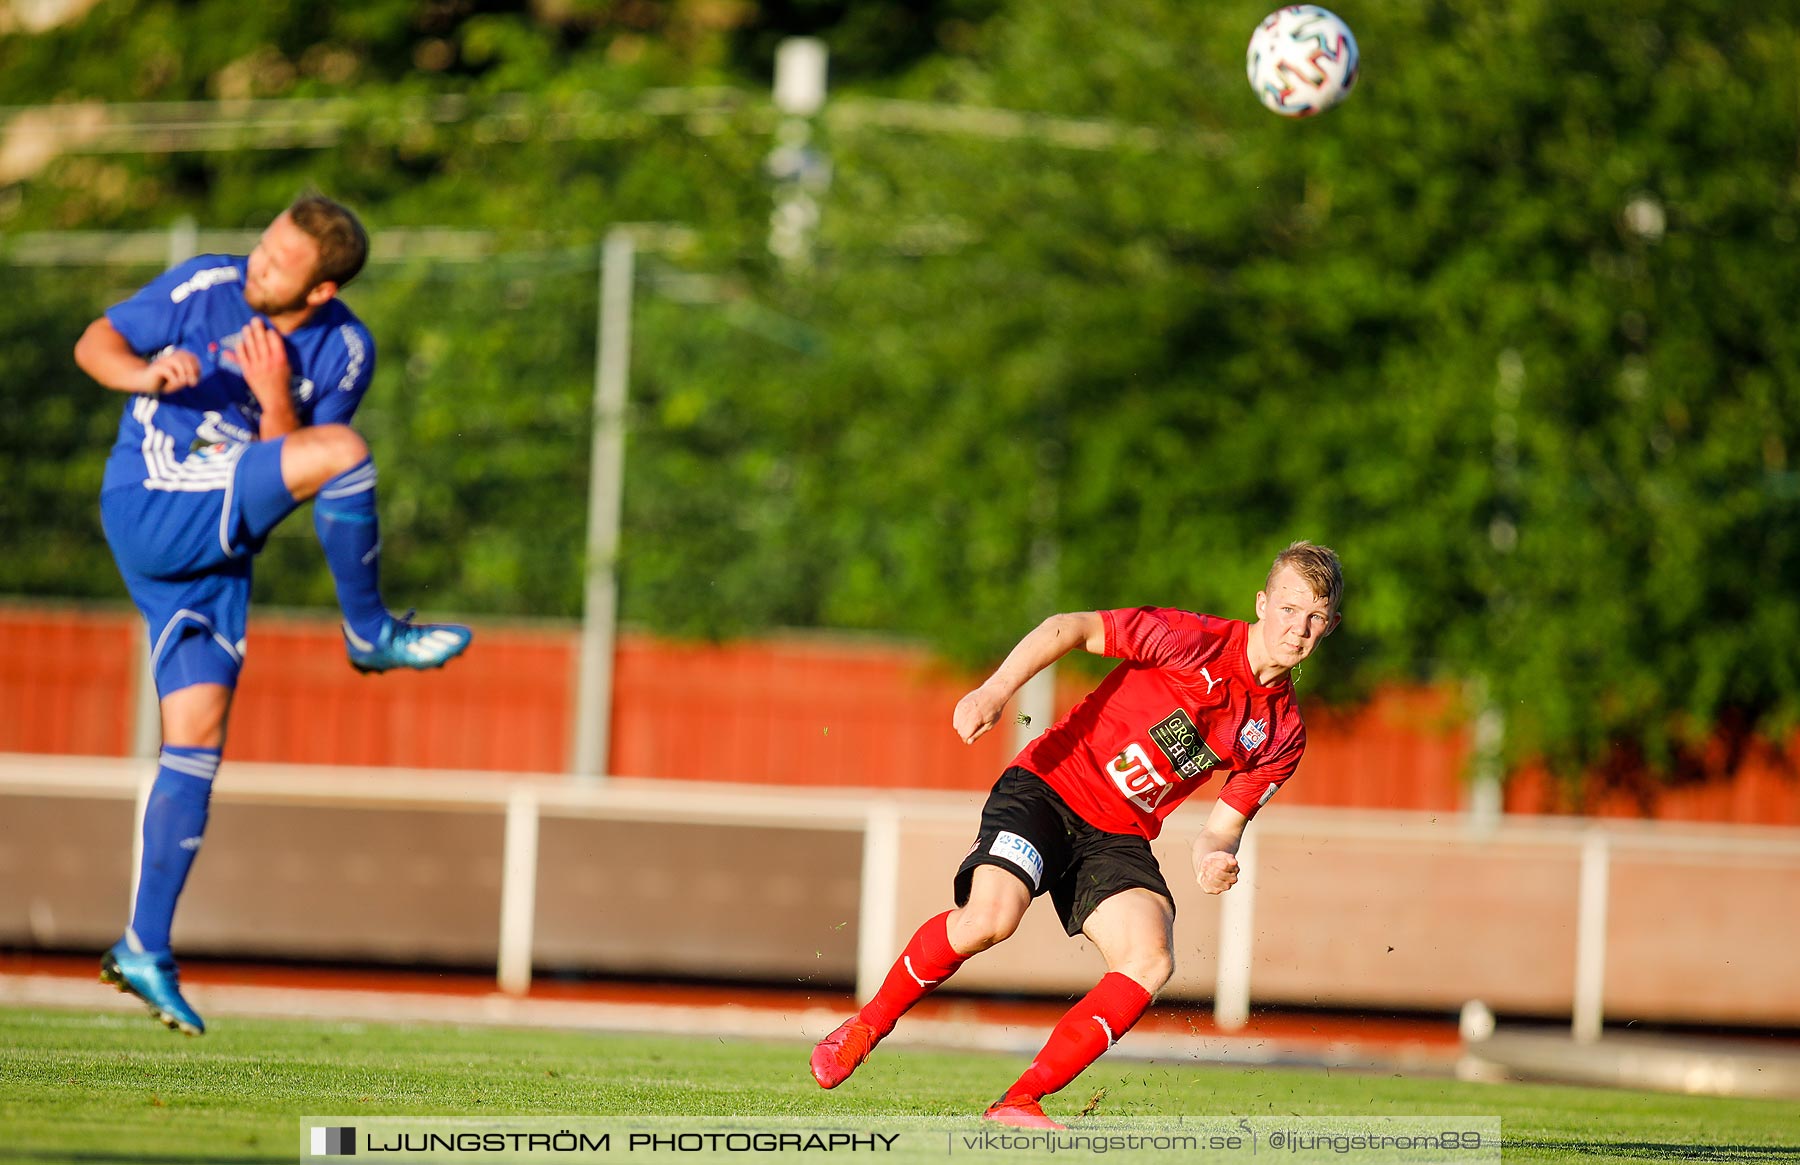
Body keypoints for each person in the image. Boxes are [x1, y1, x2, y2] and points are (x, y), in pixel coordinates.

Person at [73, 193, 474, 1035]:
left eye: (278, 262)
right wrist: (145, 373)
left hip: (215, 547)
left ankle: (143, 946)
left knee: (196, 740)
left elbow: (297, 464)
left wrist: (269, 393)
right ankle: (369, 632)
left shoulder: (345, 349)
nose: (257, 263)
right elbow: (95, 342)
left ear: (320, 290)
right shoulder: (203, 286)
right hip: (155, 497)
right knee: (351, 451)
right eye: (263, 245)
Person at [809, 541, 1343, 1127]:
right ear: (1263, 604)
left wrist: (1216, 857)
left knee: (1150, 959)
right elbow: (1067, 627)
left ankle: (1018, 1100)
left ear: (1330, 626)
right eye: (1290, 608)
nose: (1299, 627)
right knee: (989, 921)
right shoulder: (1191, 639)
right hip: (1048, 789)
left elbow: (1221, 830)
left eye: (1316, 615)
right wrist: (994, 691)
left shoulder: (1283, 732)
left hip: (1116, 836)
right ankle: (867, 1026)